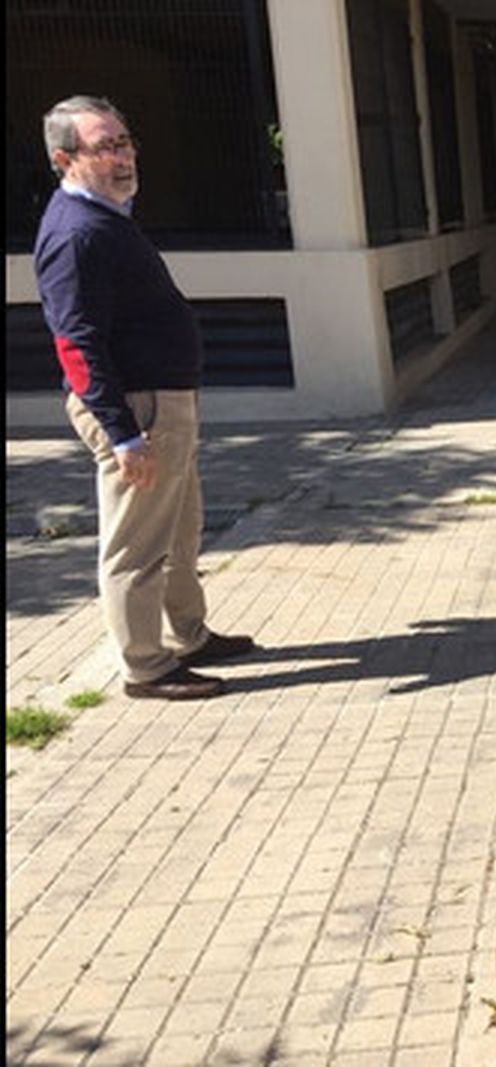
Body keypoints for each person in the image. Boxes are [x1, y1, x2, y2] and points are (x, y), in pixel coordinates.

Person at [33, 96, 256, 701]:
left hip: (160, 403)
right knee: (137, 544)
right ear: (65, 159)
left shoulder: (107, 217)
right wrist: (122, 433)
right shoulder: (75, 235)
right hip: (136, 410)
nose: (123, 156)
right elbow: (75, 343)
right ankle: (146, 667)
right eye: (104, 147)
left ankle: (190, 635)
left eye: (125, 141)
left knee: (180, 531)